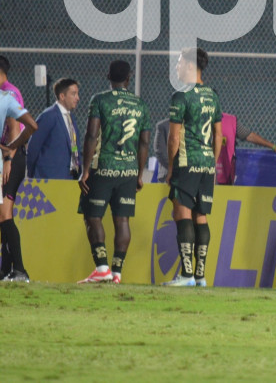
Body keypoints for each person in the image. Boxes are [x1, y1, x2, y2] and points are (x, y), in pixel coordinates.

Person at [77, 60, 152, 284]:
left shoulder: (100, 100)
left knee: (93, 216)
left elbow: (91, 136)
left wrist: (86, 169)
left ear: (107, 76)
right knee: (122, 221)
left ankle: (102, 268)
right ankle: (117, 272)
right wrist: (139, 173)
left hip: (104, 168)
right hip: (128, 170)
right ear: (129, 79)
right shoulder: (141, 105)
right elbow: (144, 142)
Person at [164, 48, 222, 287]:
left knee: (182, 213)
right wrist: (212, 162)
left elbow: (174, 138)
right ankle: (200, 276)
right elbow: (218, 134)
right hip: (207, 162)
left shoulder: (181, 96)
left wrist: (170, 167)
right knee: (201, 215)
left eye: (178, 63)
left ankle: (186, 275)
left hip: (187, 161)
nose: (176, 68)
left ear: (189, 65)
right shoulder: (213, 95)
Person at [0, 57, 38, 283]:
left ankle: (19, 270)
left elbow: (16, 126)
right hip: (10, 157)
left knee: (5, 215)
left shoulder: (8, 93)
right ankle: (7, 271)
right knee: (3, 215)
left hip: (10, 160)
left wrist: (8, 156)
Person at [27, 78, 82, 180]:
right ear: (62, 96)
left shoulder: (71, 118)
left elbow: (74, 146)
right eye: (73, 94)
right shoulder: (49, 116)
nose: (77, 98)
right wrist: (31, 173)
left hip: (70, 177)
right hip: (50, 178)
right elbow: (33, 146)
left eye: (77, 94)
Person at [216, 111, 276, 185]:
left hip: (224, 177)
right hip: (206, 173)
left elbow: (249, 136)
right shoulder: (203, 122)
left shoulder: (230, 121)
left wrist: (274, 147)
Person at [154, 117, 170, 182]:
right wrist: (174, 169)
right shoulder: (163, 126)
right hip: (167, 175)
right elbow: (160, 152)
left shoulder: (195, 125)